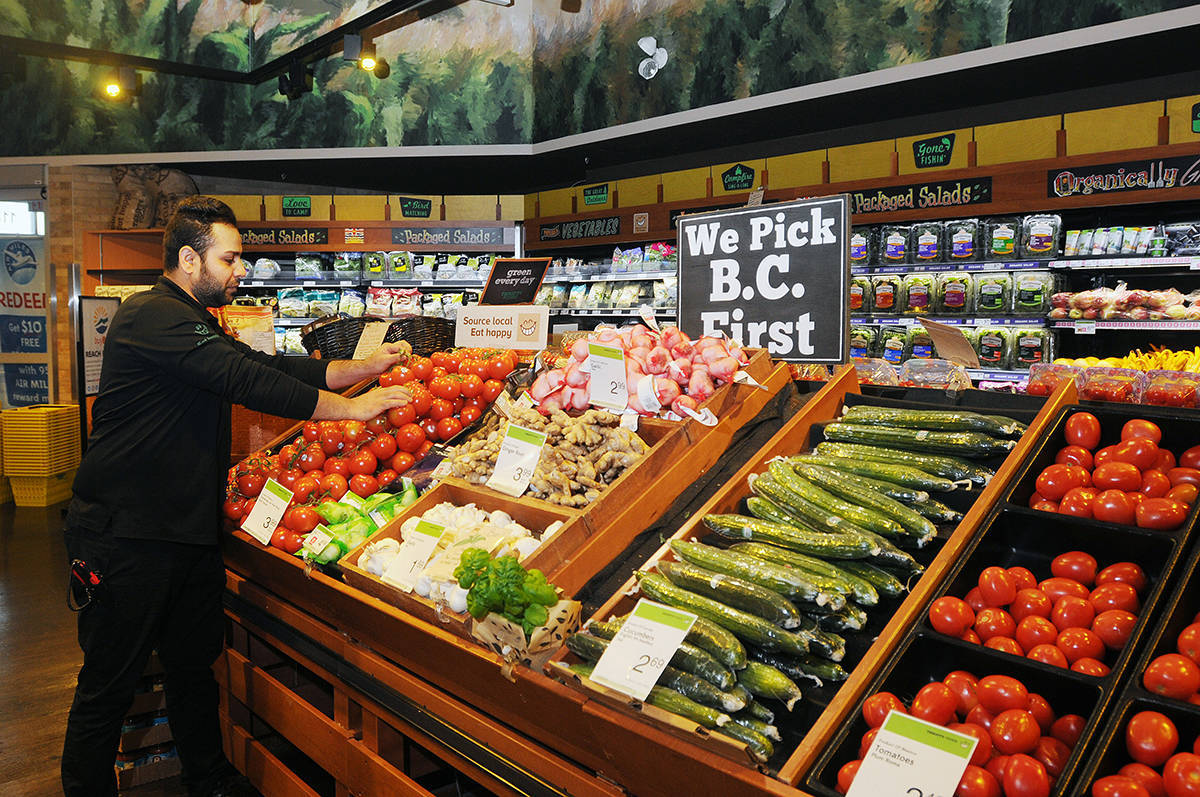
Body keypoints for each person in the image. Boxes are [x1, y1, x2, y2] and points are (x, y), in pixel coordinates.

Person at [61, 196, 413, 797]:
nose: (241, 269)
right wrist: (353, 409)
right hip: (126, 536)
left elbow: (263, 362)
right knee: (108, 687)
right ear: (190, 257)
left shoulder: (196, 319)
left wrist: (355, 369)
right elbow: (246, 380)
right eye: (231, 258)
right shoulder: (150, 315)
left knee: (192, 668)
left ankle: (208, 777)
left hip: (186, 531)